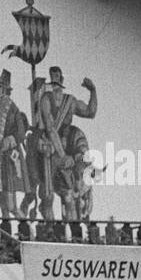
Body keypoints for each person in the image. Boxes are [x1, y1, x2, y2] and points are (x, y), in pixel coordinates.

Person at [24, 66, 97, 220]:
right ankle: (49, 229)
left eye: (57, 77)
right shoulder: (46, 99)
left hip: (67, 148)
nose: (55, 80)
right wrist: (62, 156)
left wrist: (93, 91)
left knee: (69, 195)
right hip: (50, 150)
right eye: (52, 77)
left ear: (62, 79)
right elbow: (50, 128)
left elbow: (90, 112)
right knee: (48, 195)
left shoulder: (70, 101)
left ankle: (73, 230)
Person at [0, 70, 30, 219]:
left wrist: (7, 141)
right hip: (1, 159)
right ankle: (6, 232)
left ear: (4, 89)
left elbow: (20, 133)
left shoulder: (13, 108)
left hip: (11, 159)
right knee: (2, 204)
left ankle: (26, 229)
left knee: (11, 205)